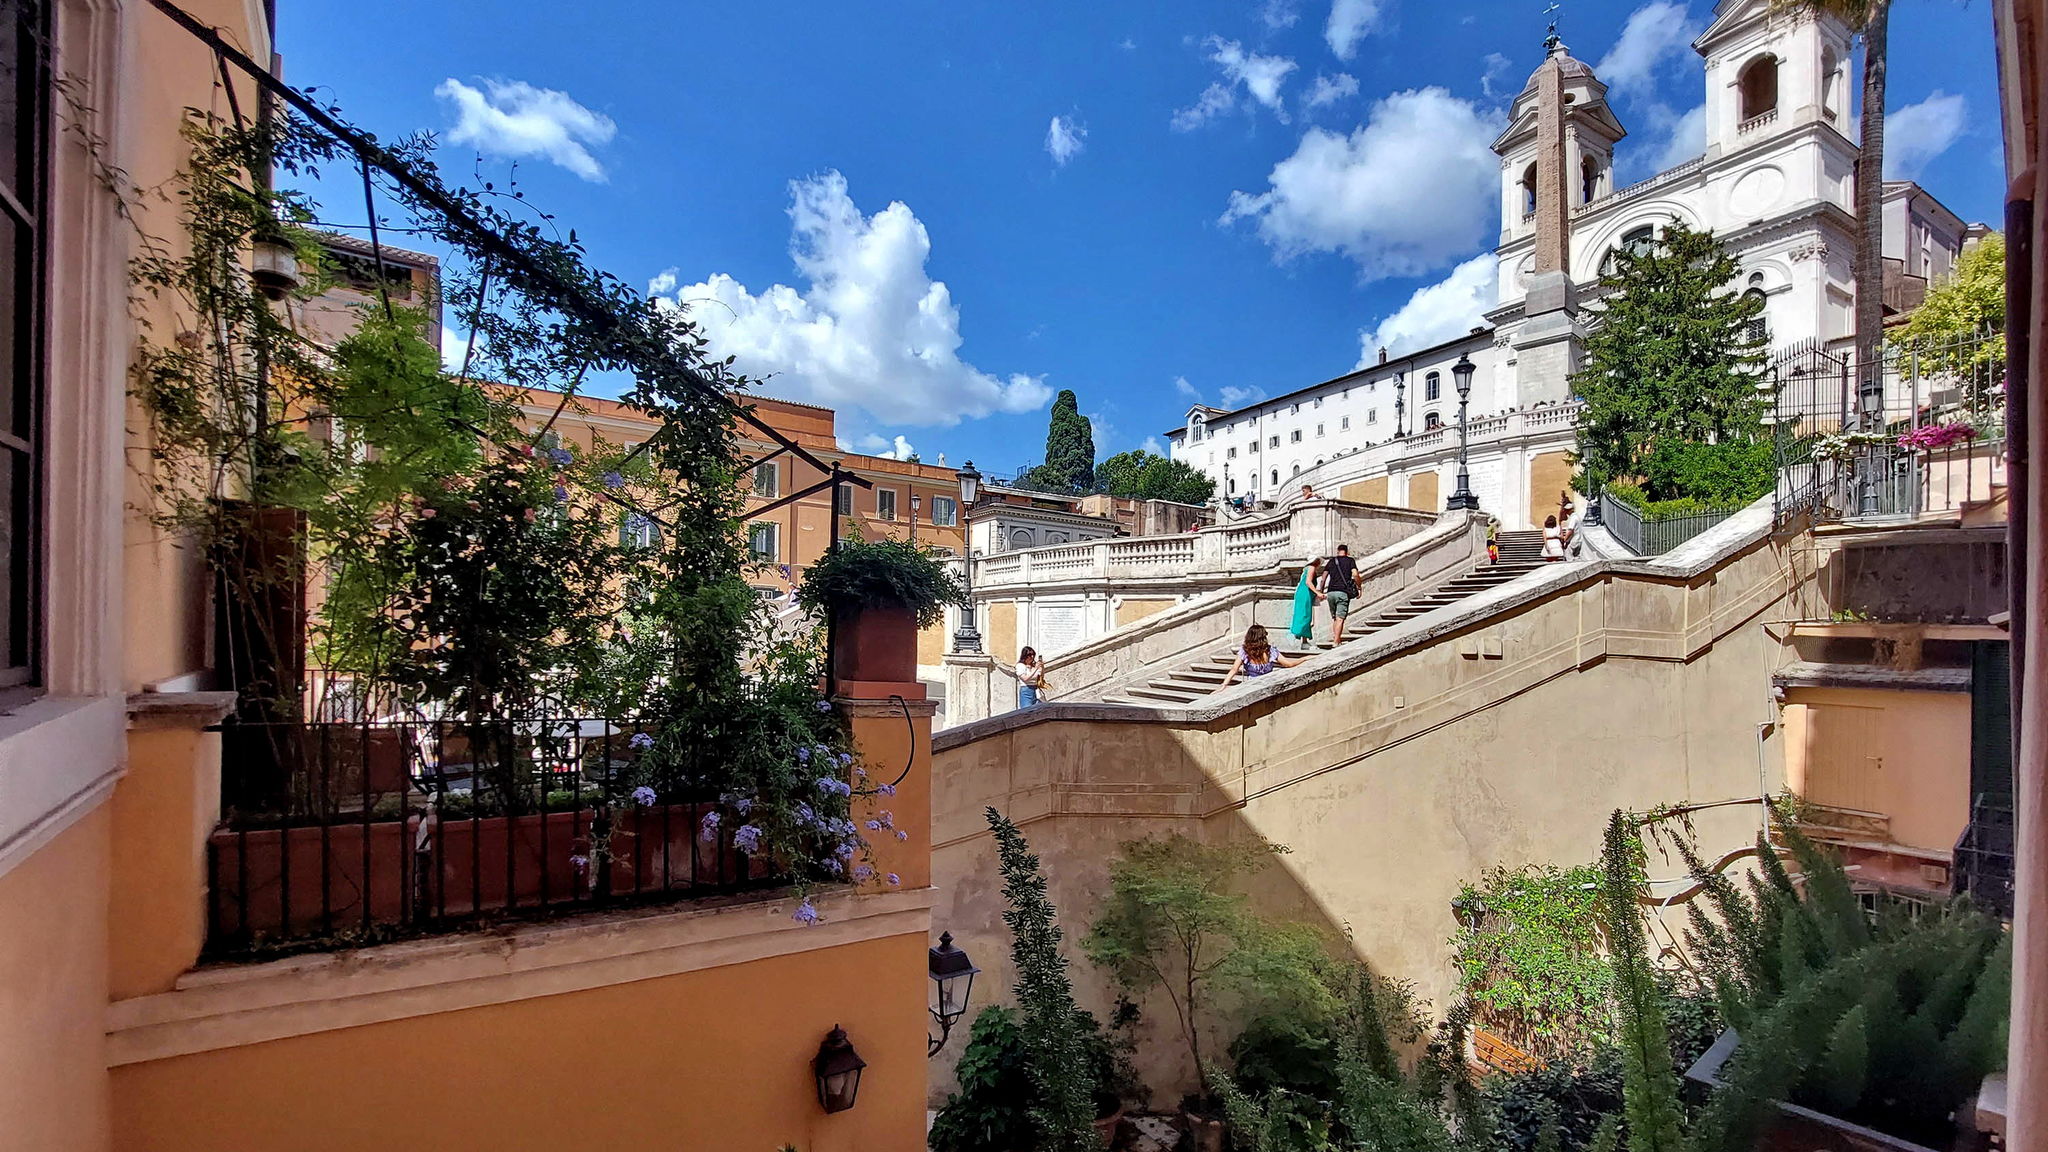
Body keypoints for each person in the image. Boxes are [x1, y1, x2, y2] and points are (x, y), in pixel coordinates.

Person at [1221, 624, 1305, 687]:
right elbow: (1288, 664)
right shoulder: (1270, 650)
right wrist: (1305, 658)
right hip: (1268, 684)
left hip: (1251, 685)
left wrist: (1224, 685)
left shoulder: (1245, 651)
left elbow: (1234, 669)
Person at [1319, 543, 1360, 646]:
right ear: (1347, 552)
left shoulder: (1332, 561)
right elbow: (1355, 574)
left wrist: (1321, 591)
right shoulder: (1350, 560)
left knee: (1335, 618)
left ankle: (1337, 639)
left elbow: (1323, 578)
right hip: (1342, 592)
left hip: (1331, 592)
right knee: (1340, 618)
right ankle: (1336, 641)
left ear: (1338, 551)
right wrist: (1359, 587)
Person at [1289, 560, 1324, 645]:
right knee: (1305, 615)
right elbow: (1308, 582)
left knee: (1303, 614)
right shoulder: (1311, 568)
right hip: (1305, 593)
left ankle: (1303, 640)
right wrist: (1317, 592)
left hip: (1303, 593)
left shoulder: (1306, 569)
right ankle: (1299, 636)